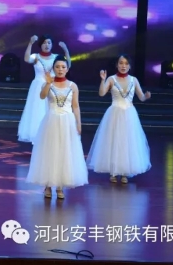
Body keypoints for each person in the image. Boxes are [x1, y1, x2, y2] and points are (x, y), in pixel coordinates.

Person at [26, 55, 88, 200]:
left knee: (64, 153)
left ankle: (60, 186)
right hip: (52, 121)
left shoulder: (72, 85)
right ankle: (48, 185)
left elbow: (76, 106)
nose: (60, 69)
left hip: (68, 122)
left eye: (63, 67)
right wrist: (48, 83)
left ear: (67, 69)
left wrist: (78, 123)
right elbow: (42, 96)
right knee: (51, 152)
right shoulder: (48, 83)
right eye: (57, 67)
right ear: (53, 68)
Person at [86, 54, 152, 183]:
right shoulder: (111, 79)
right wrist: (103, 80)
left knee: (127, 142)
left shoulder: (134, 80)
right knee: (113, 141)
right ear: (117, 65)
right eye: (121, 63)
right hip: (115, 113)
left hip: (129, 114)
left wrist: (146, 96)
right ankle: (113, 171)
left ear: (130, 66)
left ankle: (124, 172)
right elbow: (101, 93)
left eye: (126, 63)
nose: (123, 66)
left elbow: (141, 97)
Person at [18, 35, 71, 143]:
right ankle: (37, 135)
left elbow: (68, 65)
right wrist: (30, 43)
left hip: (53, 86)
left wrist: (66, 50)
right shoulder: (36, 56)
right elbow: (26, 59)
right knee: (38, 111)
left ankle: (51, 134)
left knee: (52, 109)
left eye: (49, 43)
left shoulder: (56, 57)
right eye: (44, 43)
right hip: (38, 86)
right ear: (40, 44)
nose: (47, 45)